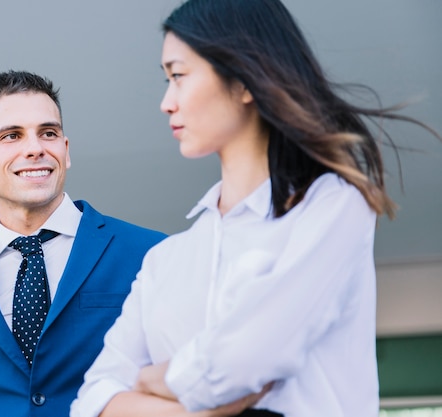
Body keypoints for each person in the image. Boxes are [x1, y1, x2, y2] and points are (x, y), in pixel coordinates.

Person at [70, 0, 442, 416]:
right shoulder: (163, 263)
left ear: (245, 81)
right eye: (166, 80)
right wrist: (209, 411)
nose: (166, 102)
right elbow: (92, 403)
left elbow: (243, 361)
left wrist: (151, 381)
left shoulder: (333, 205)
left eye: (178, 76)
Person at [0, 70, 166, 417]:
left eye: (48, 133)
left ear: (65, 151)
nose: (35, 148)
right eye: (12, 136)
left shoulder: (151, 254)